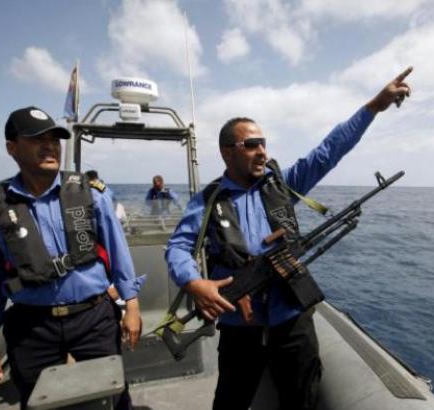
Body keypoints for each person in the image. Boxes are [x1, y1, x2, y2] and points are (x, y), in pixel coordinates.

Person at [165, 67, 413, 410]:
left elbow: (329, 150)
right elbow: (178, 247)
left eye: (263, 144)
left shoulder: (283, 184)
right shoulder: (207, 201)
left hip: (292, 320)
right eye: (250, 145)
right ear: (227, 152)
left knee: (302, 400)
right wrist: (194, 284)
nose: (262, 152)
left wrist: (375, 105)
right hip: (240, 328)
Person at [0, 106, 144, 409]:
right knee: (38, 403)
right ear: (12, 148)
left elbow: (120, 255)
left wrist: (131, 306)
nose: (50, 146)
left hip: (94, 318)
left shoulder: (91, 193)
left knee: (116, 400)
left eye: (55, 139)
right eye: (37, 139)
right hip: (31, 326)